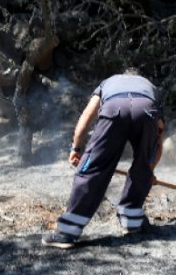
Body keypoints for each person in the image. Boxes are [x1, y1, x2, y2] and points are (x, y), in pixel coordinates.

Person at [42, 68, 164, 249]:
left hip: (114, 109)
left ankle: (67, 232)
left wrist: (76, 148)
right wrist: (148, 170)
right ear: (138, 76)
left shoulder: (109, 82)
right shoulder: (150, 87)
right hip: (146, 110)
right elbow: (158, 140)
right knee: (142, 164)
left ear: (124, 74)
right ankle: (132, 220)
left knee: (93, 167)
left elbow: (87, 115)